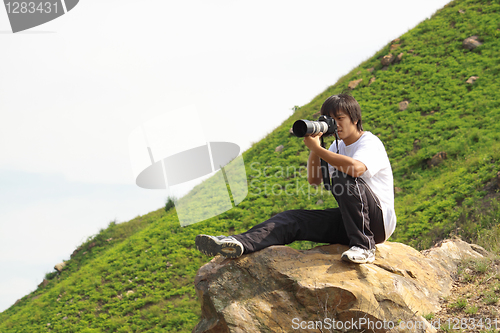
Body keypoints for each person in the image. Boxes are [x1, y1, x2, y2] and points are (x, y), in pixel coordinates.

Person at [195, 94, 396, 264]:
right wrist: (315, 150)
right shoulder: (336, 147)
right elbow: (314, 179)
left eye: (339, 118)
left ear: (354, 118)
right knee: (292, 219)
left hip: (378, 223)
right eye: (329, 120)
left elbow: (356, 168)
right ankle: (238, 243)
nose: (335, 125)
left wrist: (318, 149)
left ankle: (364, 247)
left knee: (345, 175)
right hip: (351, 220)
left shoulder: (369, 142)